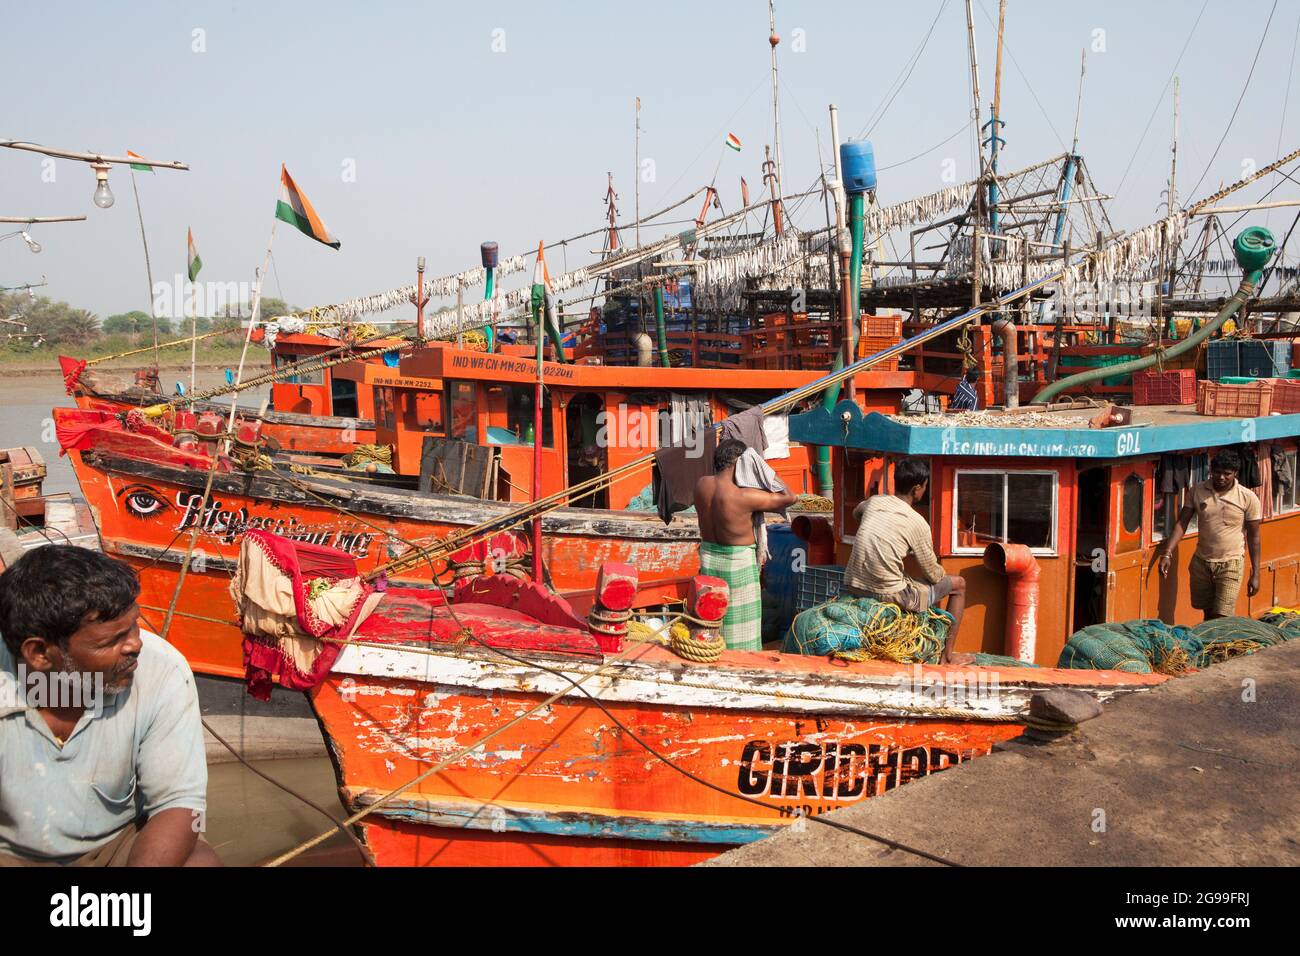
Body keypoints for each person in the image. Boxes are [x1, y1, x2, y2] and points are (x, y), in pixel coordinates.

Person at [0, 545, 217, 867]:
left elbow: (179, 803)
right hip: (11, 855)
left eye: (134, 625)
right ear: (40, 654)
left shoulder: (162, 669)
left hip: (118, 845)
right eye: (109, 641)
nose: (135, 645)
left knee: (198, 863)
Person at [843, 458, 969, 664]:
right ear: (916, 488)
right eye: (925, 488)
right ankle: (946, 657)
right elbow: (933, 574)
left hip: (853, 584)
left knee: (910, 579)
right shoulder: (917, 523)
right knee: (958, 585)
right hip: (888, 594)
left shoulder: (875, 502)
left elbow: (857, 512)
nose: (924, 492)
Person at [694, 438, 796, 651]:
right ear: (742, 463)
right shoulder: (745, 496)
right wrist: (761, 468)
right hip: (738, 564)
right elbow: (790, 496)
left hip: (709, 560)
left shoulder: (701, 484)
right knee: (743, 633)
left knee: (711, 619)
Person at [1157, 449, 1261, 620]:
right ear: (1211, 471)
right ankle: (1210, 646)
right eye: (1217, 472)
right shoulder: (1197, 491)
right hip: (1201, 562)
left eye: (1226, 474)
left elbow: (1254, 536)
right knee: (1206, 611)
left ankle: (1218, 644)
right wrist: (1167, 553)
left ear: (1235, 473)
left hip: (1231, 563)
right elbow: (1182, 523)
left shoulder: (1248, 498)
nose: (1221, 477)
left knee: (1222, 615)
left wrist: (1256, 573)